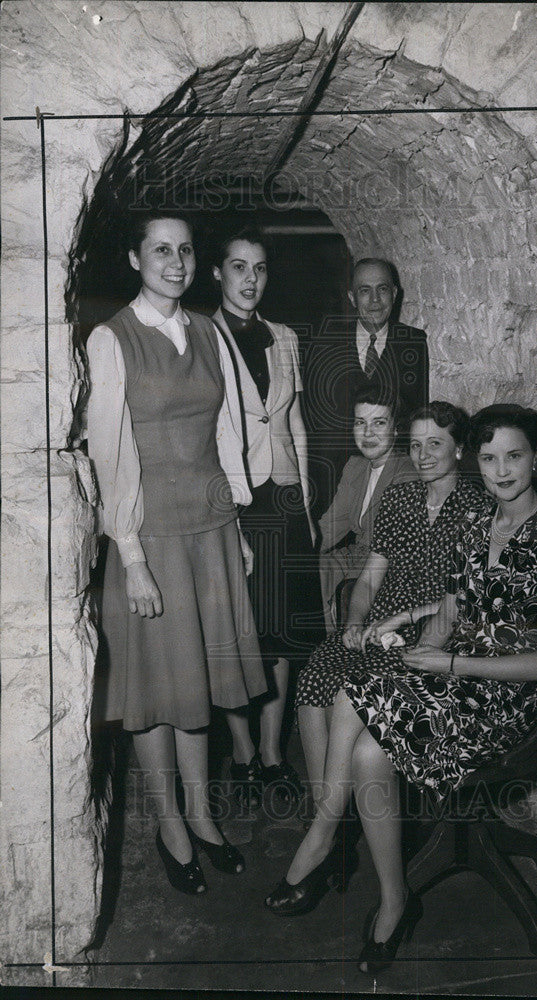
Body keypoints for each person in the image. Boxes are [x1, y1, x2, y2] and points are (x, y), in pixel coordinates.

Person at [266, 403, 537, 976]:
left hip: (502, 701)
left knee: (363, 713)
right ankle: (393, 894)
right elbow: (455, 607)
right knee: (358, 711)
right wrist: (408, 630)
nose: (501, 470)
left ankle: (325, 838)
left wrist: (447, 663)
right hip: (455, 671)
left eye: (514, 456)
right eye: (490, 458)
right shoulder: (477, 523)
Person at [87, 210, 266, 895]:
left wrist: (238, 527)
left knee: (202, 687)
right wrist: (130, 556)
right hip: (150, 535)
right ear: (135, 259)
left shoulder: (209, 330)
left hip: (211, 533)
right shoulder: (112, 338)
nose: (175, 261)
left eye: (185, 250)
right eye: (160, 249)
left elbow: (227, 434)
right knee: (157, 693)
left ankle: (202, 815)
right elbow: (107, 452)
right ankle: (169, 825)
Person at [295, 401, 487, 808]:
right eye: (416, 445)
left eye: (436, 443)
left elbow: (464, 602)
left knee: (349, 688)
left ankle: (332, 823)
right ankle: (326, 812)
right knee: (315, 676)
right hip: (380, 625)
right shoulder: (400, 498)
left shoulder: (479, 510)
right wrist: (354, 621)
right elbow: (368, 577)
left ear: (458, 450)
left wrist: (397, 621)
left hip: (435, 634)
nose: (424, 455)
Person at [211, 225, 325, 807]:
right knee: (237, 634)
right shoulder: (200, 336)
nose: (249, 279)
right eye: (238, 267)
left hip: (281, 500)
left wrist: (303, 504)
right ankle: (242, 753)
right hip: (230, 499)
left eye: (258, 268)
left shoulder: (283, 337)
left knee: (280, 636)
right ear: (217, 273)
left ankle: (275, 752)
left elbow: (295, 424)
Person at [304, 257, 429, 512]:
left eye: (382, 289)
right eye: (364, 291)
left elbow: (417, 417)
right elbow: (311, 420)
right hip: (331, 487)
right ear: (352, 297)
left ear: (394, 294)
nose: (374, 301)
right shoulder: (324, 342)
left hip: (391, 486)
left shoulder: (413, 343)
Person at [318, 384, 417, 633]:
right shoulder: (355, 467)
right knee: (300, 571)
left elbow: (395, 550)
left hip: (387, 567)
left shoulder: (408, 472)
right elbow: (329, 528)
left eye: (379, 423)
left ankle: (334, 653)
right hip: (352, 558)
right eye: (360, 423)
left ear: (396, 429)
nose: (368, 433)